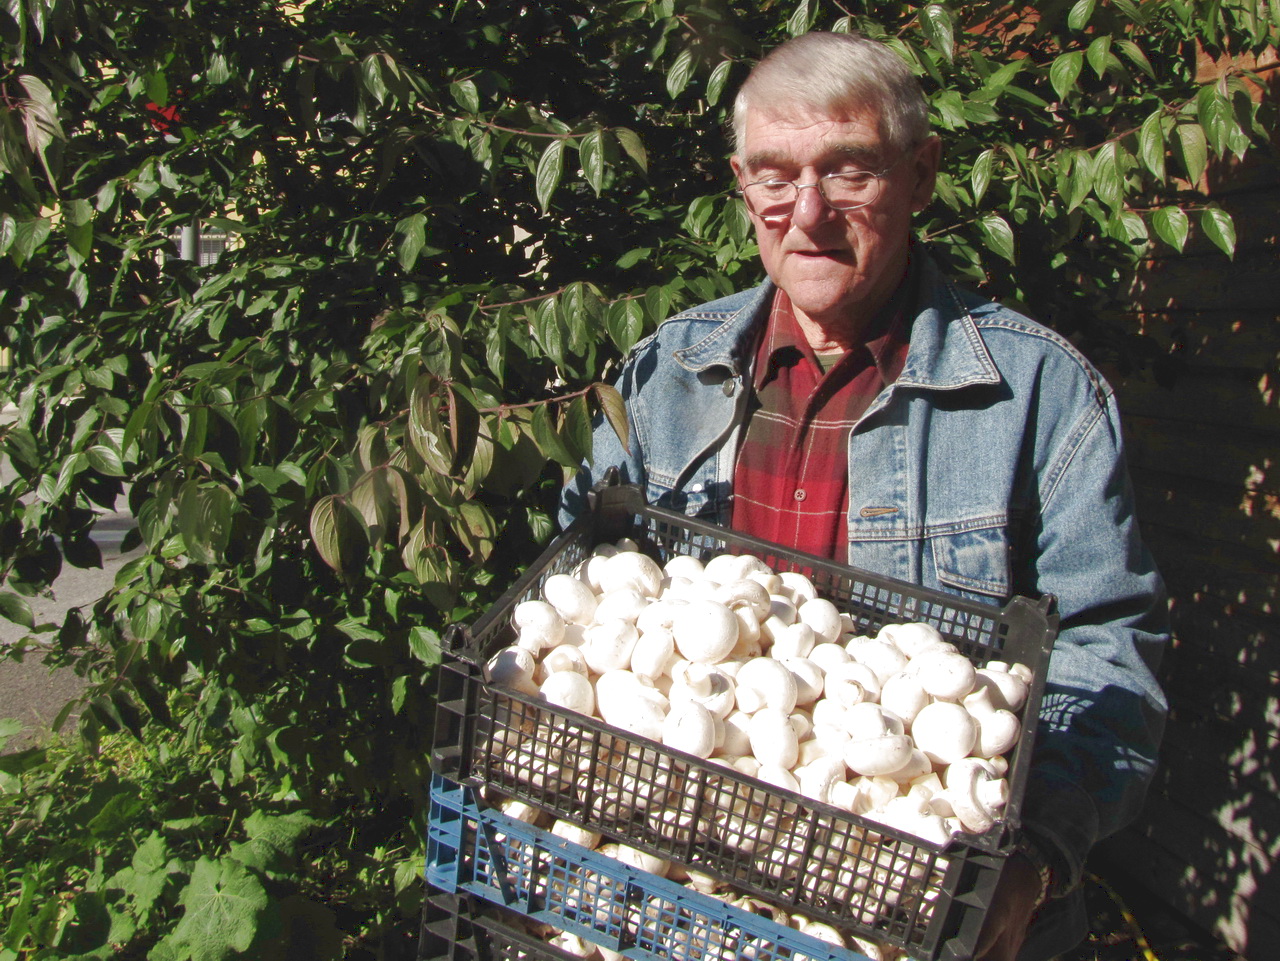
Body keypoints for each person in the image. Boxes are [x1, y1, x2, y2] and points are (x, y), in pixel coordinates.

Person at [561, 30, 1168, 961]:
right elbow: (579, 593)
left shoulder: (1039, 395)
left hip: (933, 915)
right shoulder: (663, 375)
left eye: (848, 171)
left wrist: (1031, 858)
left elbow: (1108, 654)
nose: (807, 214)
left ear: (920, 175)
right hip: (688, 900)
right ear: (742, 186)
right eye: (774, 176)